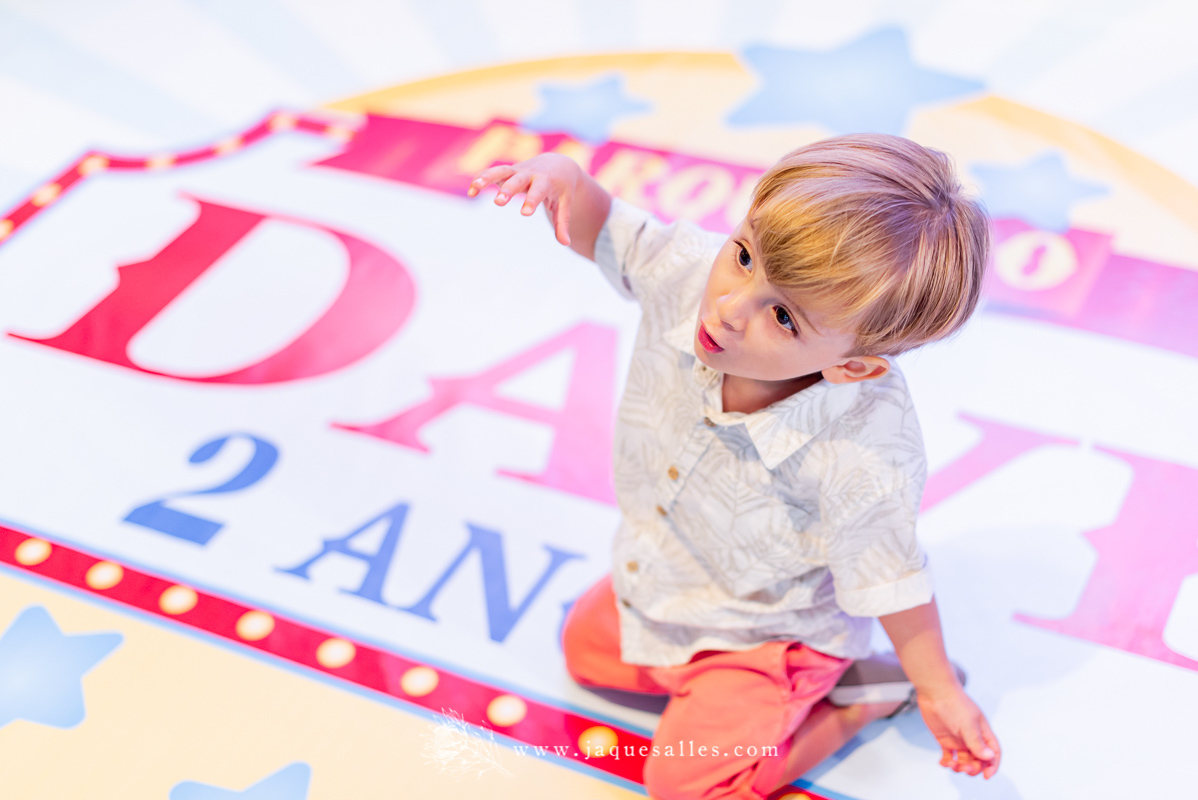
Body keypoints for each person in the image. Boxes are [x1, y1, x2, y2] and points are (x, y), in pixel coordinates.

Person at [468, 133, 1000, 799]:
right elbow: (610, 227)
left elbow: (892, 579)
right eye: (744, 254)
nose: (727, 307)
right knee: (584, 650)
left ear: (853, 365)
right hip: (673, 573)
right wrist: (563, 178)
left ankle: (853, 700)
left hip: (769, 633)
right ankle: (728, 693)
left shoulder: (867, 448)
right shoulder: (693, 276)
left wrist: (936, 688)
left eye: (782, 316)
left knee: (686, 787)